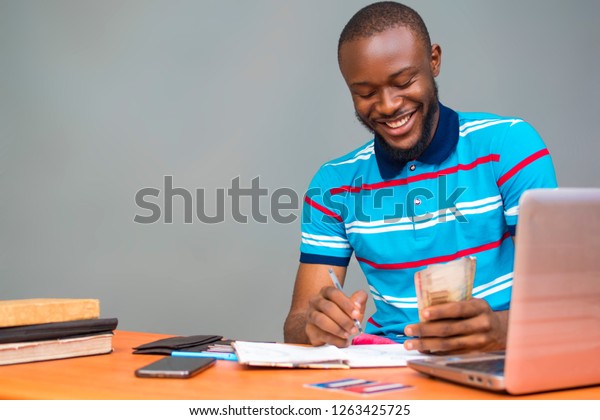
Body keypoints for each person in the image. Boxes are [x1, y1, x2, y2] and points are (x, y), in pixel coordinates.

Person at [283, 1, 557, 354]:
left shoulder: (508, 146)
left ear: (434, 61)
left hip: (497, 360)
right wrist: (315, 324)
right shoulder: (333, 184)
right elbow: (296, 325)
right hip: (387, 370)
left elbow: (564, 306)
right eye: (365, 93)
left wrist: (503, 331)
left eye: (404, 82)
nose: (387, 105)